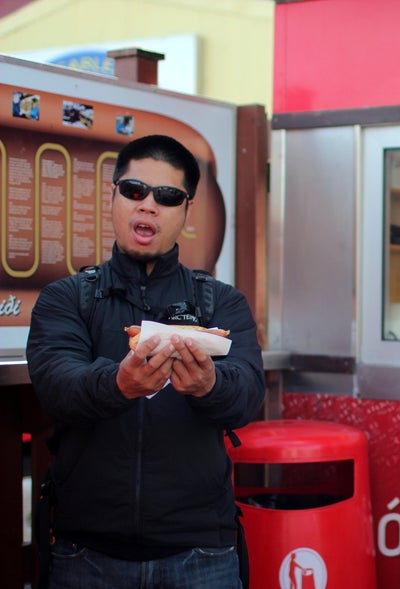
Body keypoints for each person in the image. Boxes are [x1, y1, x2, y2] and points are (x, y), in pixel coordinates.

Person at [26, 134, 266, 588]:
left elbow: (246, 397)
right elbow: (57, 387)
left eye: (168, 196)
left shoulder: (222, 304)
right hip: (87, 554)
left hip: (202, 553)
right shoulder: (68, 298)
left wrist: (209, 385)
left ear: (186, 211)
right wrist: (119, 384)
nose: (148, 206)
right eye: (135, 190)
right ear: (113, 196)